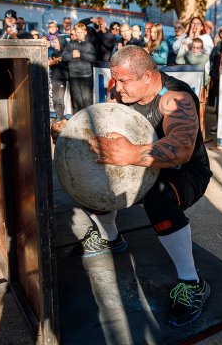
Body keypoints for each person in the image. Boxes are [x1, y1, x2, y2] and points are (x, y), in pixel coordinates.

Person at [51, 45, 213, 327]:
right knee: (85, 173)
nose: (117, 87)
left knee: (158, 197)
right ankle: (110, 237)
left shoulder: (175, 98)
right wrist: (69, 131)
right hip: (140, 164)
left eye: (124, 80)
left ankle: (192, 282)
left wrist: (131, 154)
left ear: (147, 76)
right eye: (115, 79)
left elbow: (182, 149)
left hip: (184, 172)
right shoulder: (120, 94)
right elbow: (102, 126)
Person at [61, 23, 96, 114]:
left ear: (85, 33)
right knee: (77, 102)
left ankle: (87, 121)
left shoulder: (89, 45)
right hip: (73, 76)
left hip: (86, 76)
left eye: (81, 32)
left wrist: (81, 55)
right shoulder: (70, 44)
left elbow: (93, 58)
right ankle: (77, 121)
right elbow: (63, 57)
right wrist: (71, 55)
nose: (79, 34)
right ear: (75, 33)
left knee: (86, 101)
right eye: (77, 32)